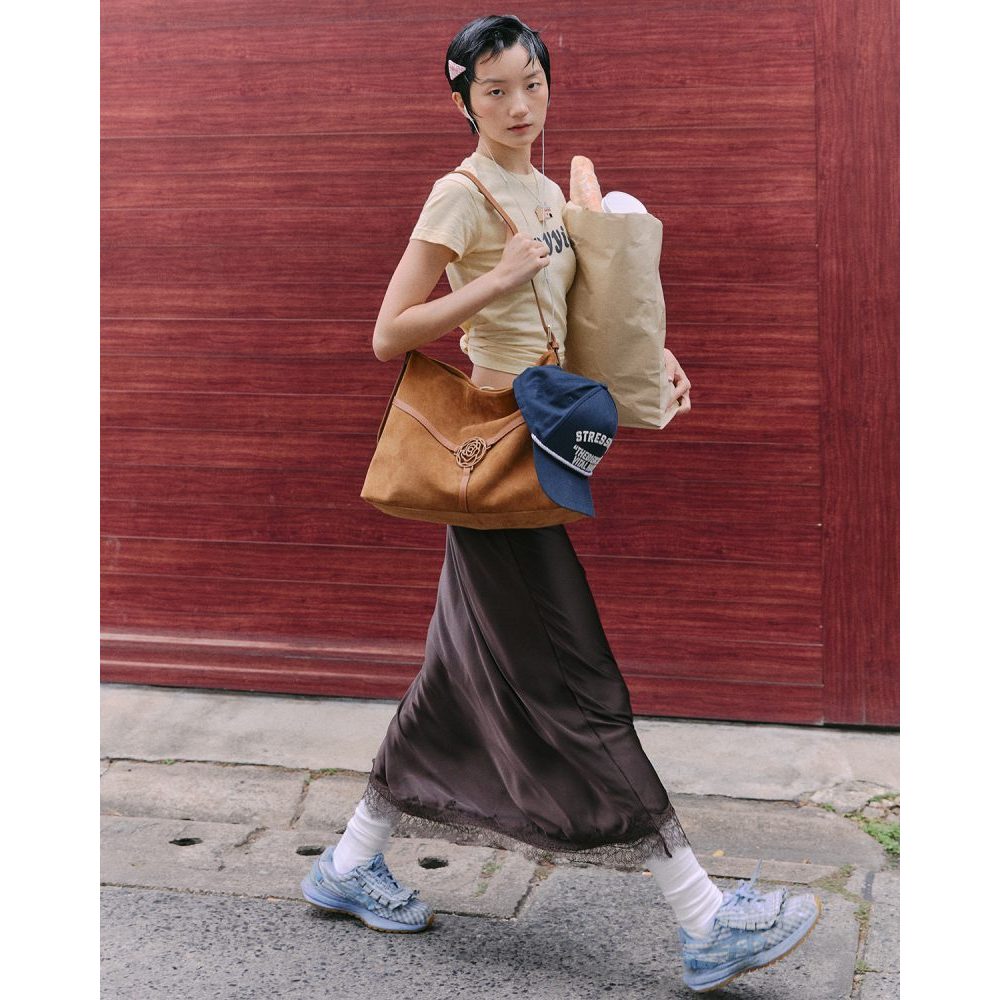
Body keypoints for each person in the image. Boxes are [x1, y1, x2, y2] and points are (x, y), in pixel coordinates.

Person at [301, 15, 820, 993]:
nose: (517, 105)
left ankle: (347, 861)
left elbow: (579, 318)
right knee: (579, 682)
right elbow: (389, 332)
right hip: (493, 455)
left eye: (530, 83)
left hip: (539, 446)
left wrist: (651, 359)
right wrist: (491, 280)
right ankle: (705, 918)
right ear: (463, 98)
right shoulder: (460, 195)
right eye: (494, 89)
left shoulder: (548, 192)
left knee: (454, 678)